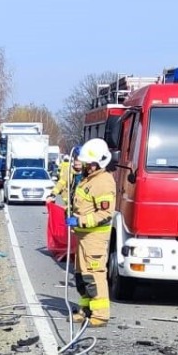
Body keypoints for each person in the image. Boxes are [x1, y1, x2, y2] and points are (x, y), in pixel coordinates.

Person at [68, 138, 116, 325]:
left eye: (89, 163)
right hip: (83, 236)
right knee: (82, 275)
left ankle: (100, 314)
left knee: (94, 275)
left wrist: (80, 220)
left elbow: (105, 213)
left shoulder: (103, 182)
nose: (86, 165)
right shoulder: (89, 179)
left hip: (94, 237)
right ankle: (86, 309)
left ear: (98, 162)